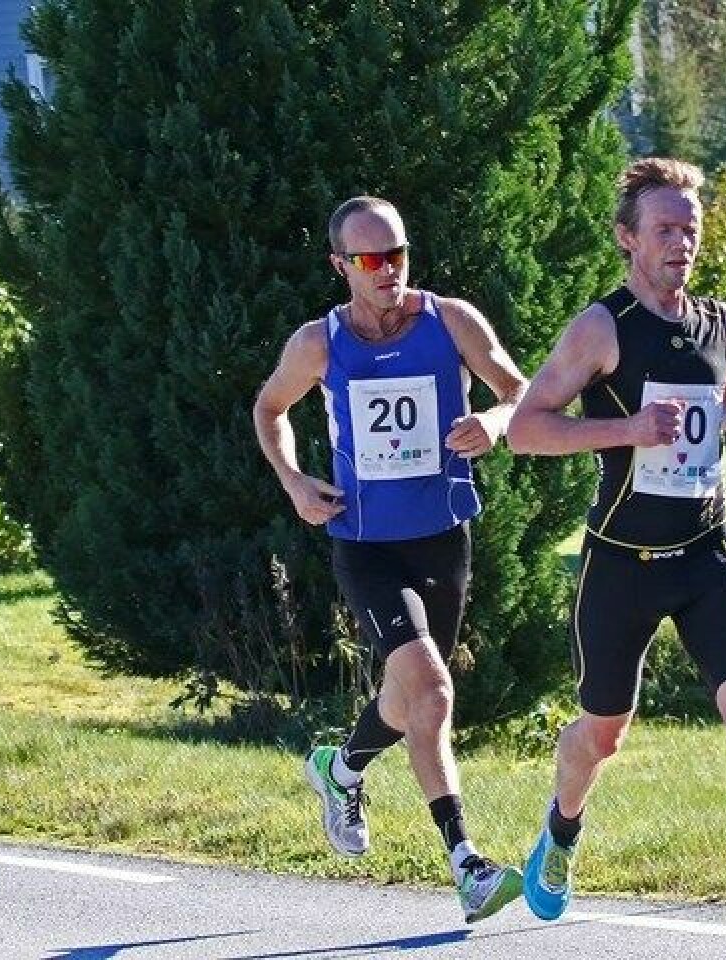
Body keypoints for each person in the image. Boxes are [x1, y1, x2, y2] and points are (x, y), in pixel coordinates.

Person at [507, 158, 726, 958]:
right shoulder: (602, 328)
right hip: (621, 563)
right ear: (628, 239)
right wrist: (625, 430)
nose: (681, 242)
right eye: (665, 229)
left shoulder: (723, 325)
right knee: (603, 732)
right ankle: (561, 828)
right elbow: (526, 428)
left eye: (691, 228)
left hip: (704, 555)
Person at [253, 196, 526, 924]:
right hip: (365, 544)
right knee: (432, 689)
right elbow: (268, 408)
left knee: (407, 698)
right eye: (371, 259)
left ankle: (339, 769)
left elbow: (517, 389)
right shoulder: (320, 342)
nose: (389, 271)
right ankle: (467, 862)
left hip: (442, 536)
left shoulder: (451, 320)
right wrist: (295, 482)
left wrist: (496, 423)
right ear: (341, 265)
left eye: (398, 253)